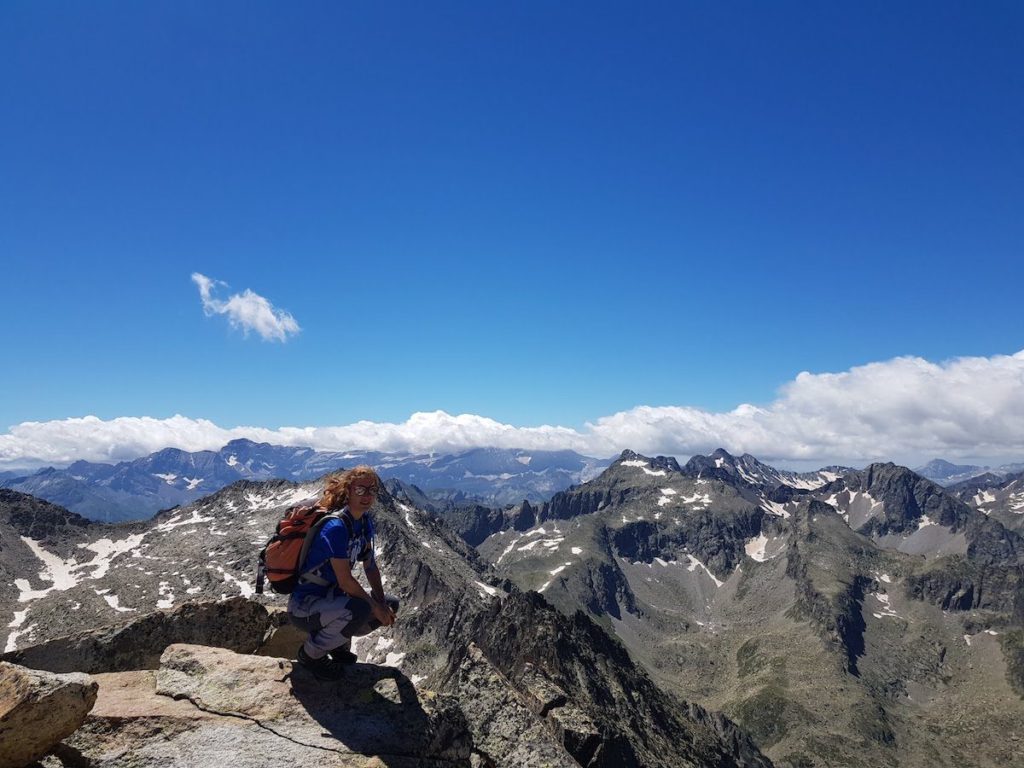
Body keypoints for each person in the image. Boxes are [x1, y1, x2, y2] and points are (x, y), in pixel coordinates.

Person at [288, 465, 399, 680]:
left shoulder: (363, 523)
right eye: (360, 490)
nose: (367, 495)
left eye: (372, 490)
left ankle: (336, 647)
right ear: (348, 491)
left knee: (391, 602)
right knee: (359, 607)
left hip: (331, 600)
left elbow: (370, 566)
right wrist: (374, 607)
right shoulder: (336, 527)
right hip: (305, 606)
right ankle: (310, 655)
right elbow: (346, 581)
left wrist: (382, 603)